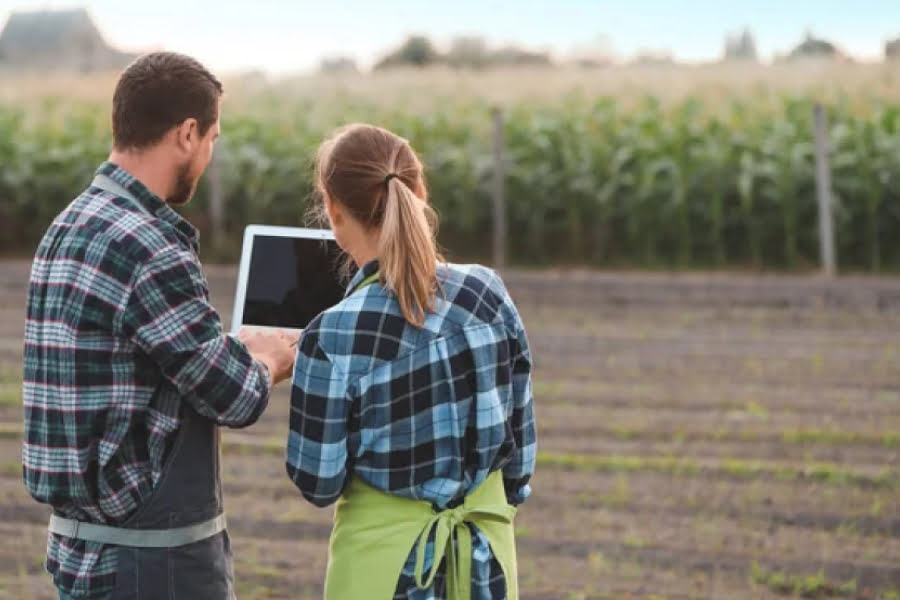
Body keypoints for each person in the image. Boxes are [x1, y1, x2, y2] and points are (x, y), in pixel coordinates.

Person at [22, 52, 296, 600]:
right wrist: (268, 358)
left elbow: (135, 357)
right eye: (213, 137)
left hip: (80, 553)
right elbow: (234, 397)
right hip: (151, 565)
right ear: (187, 133)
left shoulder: (69, 224)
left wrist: (223, 349)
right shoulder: (149, 246)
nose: (211, 153)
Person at [286, 123, 537, 599]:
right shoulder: (489, 293)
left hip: (383, 574)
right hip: (485, 566)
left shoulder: (332, 334)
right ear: (420, 192)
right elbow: (519, 453)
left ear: (334, 215)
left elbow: (317, 482)